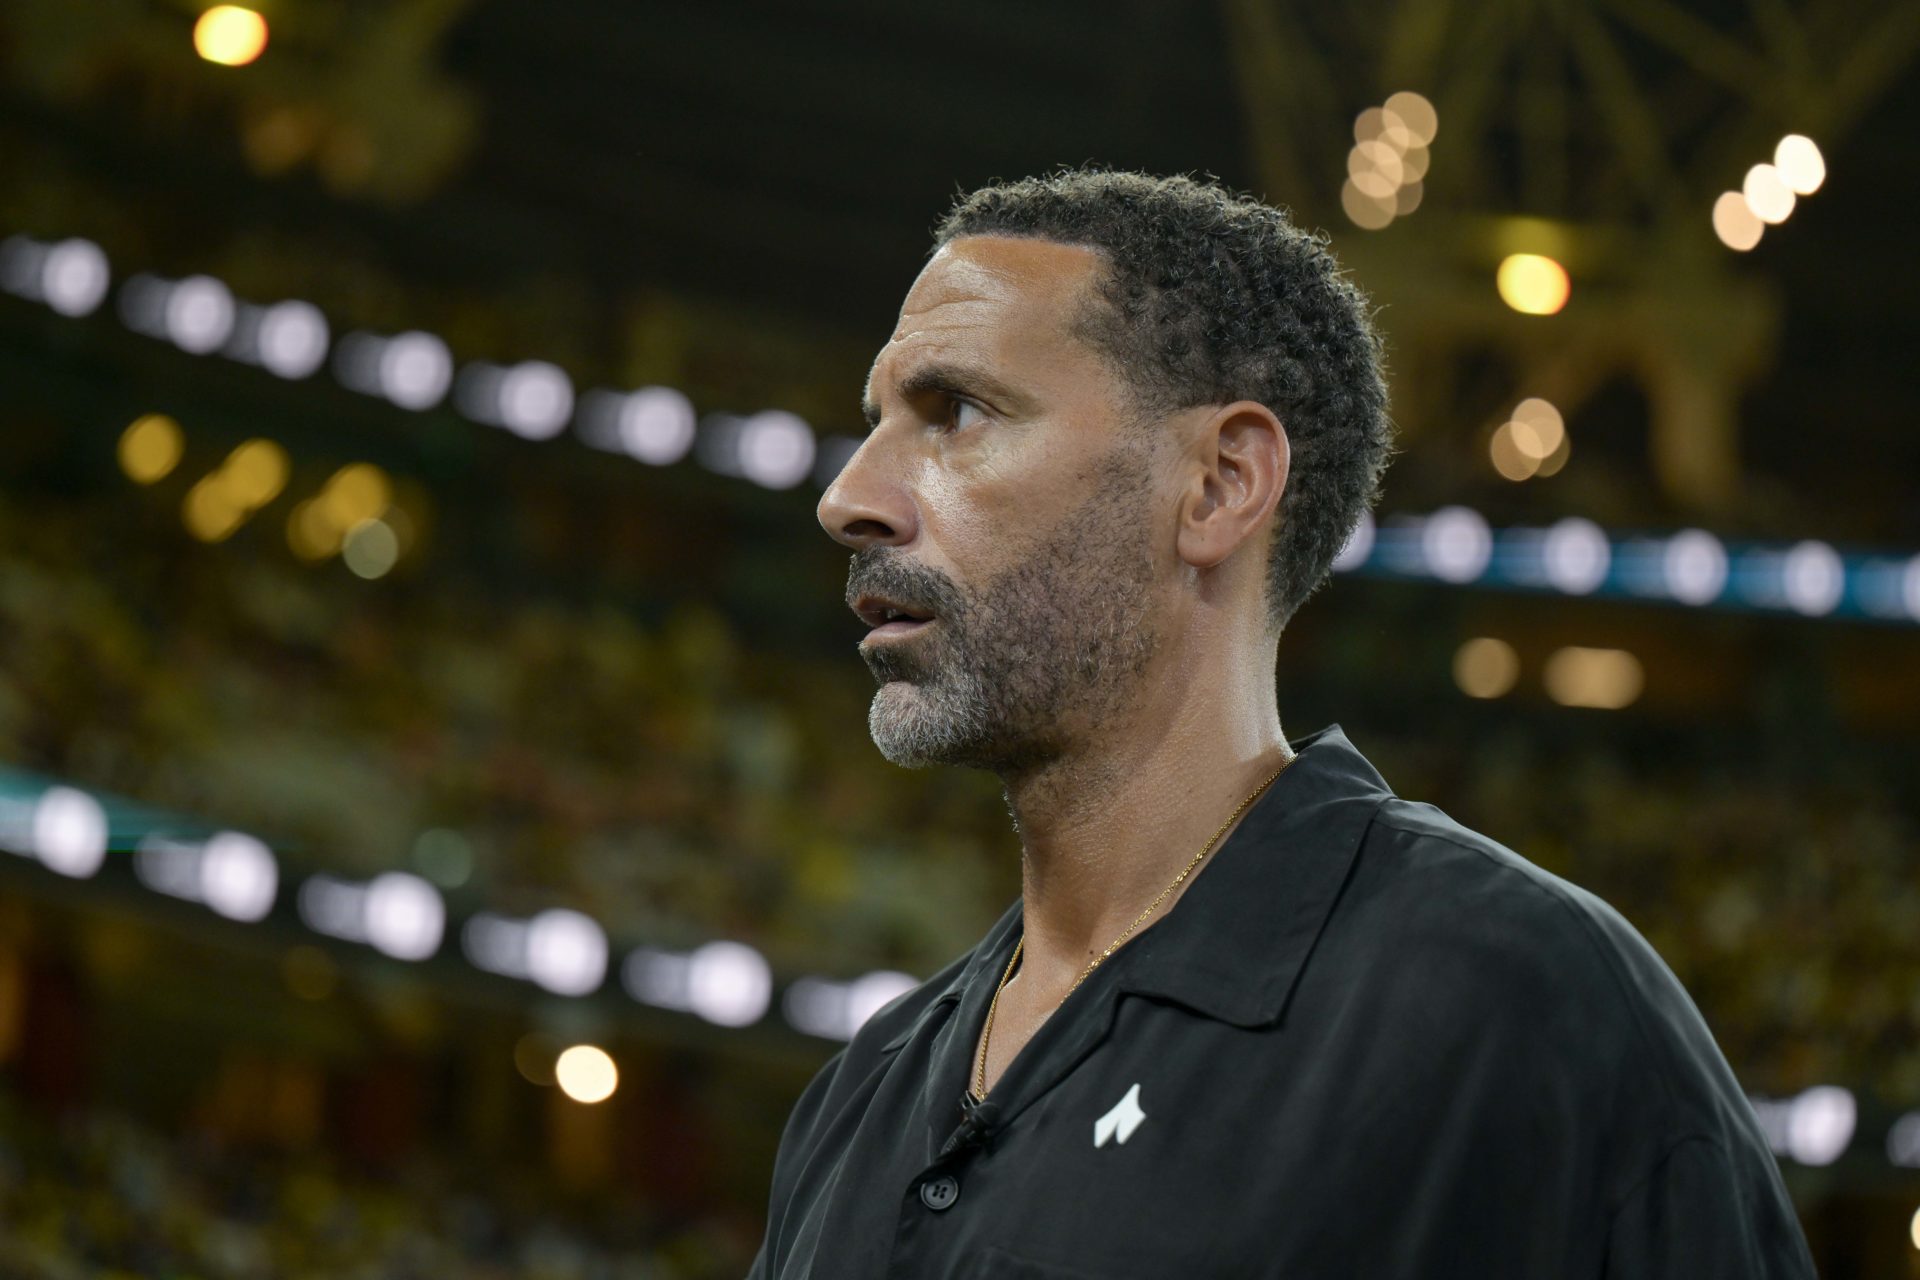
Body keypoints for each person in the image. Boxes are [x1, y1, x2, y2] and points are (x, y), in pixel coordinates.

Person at [749, 169, 1815, 1278]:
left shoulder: (1523, 1000)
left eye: (957, 412)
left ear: (1218, 485)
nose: (848, 497)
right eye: (875, 421)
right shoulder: (862, 1090)